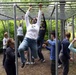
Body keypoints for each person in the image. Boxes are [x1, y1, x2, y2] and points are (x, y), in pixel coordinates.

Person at [18, 4, 42, 68]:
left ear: (36, 21)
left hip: (34, 41)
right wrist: (29, 8)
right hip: (27, 39)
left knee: (36, 56)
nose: (34, 19)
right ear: (31, 21)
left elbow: (39, 17)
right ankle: (23, 61)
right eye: (33, 19)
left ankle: (33, 56)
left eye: (35, 19)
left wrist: (40, 8)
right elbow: (26, 16)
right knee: (20, 48)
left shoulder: (37, 25)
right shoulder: (28, 25)